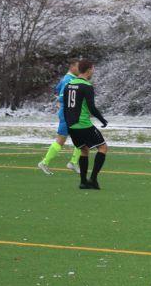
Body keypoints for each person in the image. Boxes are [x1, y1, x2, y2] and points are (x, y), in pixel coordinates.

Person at [62, 59, 109, 190]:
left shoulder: (69, 85)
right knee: (103, 148)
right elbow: (91, 108)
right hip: (83, 124)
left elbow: (65, 106)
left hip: (72, 125)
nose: (93, 71)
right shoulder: (87, 86)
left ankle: (83, 182)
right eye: (93, 69)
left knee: (84, 149)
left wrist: (68, 123)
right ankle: (93, 179)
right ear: (88, 70)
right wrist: (102, 120)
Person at [37, 61, 83, 175]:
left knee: (81, 139)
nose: (80, 69)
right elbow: (63, 96)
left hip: (71, 114)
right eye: (78, 67)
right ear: (72, 67)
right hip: (68, 114)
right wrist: (62, 103)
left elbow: (57, 90)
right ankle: (45, 162)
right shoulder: (69, 80)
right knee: (61, 140)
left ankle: (72, 162)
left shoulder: (67, 79)